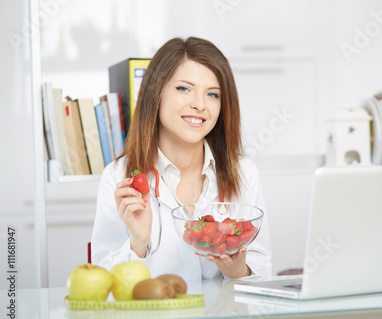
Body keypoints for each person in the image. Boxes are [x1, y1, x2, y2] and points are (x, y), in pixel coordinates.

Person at [91, 36, 272, 280]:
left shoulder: (243, 172)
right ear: (156, 93)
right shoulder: (118, 176)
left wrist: (236, 269)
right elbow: (103, 283)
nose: (199, 105)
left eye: (213, 95)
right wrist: (139, 243)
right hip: (154, 318)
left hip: (222, 318)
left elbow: (262, 270)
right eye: (183, 89)